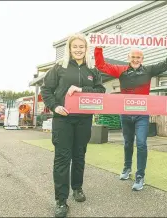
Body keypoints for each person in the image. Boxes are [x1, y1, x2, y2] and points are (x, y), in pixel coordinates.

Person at [41, 33, 106, 217]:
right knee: (62, 158)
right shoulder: (59, 68)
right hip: (63, 120)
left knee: (79, 156)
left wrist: (82, 90)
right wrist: (55, 106)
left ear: (86, 49)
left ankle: (77, 188)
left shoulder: (92, 70)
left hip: (84, 120)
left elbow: (100, 91)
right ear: (69, 48)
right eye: (75, 46)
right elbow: (46, 90)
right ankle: (61, 200)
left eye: (81, 47)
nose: (78, 50)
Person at [94, 45, 167, 191]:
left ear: (142, 59)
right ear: (128, 58)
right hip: (125, 114)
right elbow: (101, 66)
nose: (136, 59)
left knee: (142, 144)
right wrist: (98, 49)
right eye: (133, 57)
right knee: (128, 143)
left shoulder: (149, 70)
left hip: (142, 115)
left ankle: (140, 176)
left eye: (138, 57)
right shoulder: (121, 70)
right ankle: (126, 168)